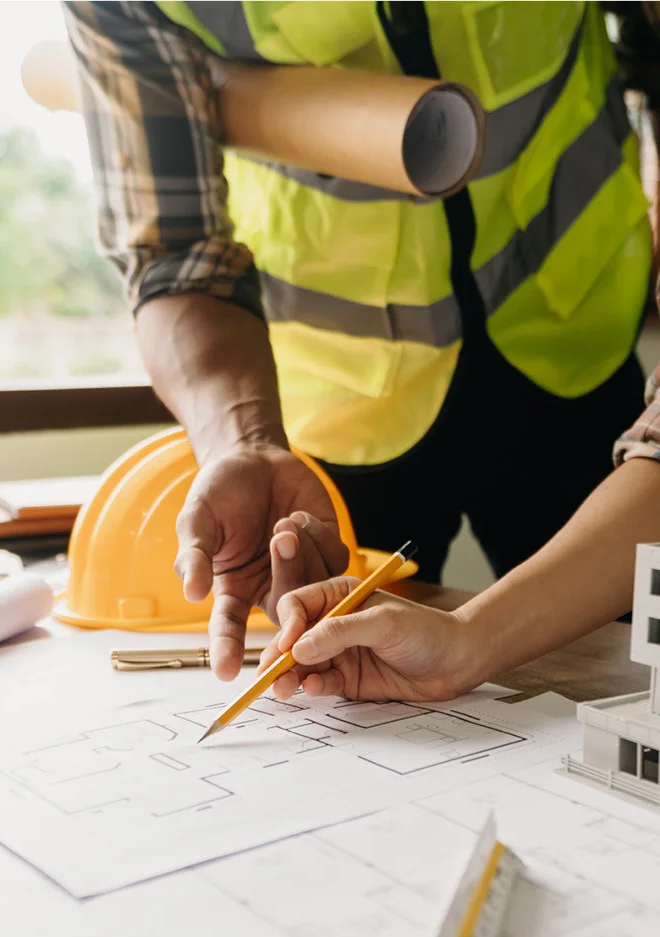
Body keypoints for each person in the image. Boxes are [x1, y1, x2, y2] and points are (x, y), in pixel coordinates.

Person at [63, 1, 660, 681]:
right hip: (346, 396)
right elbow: (175, 251)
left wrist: (473, 639)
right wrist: (241, 440)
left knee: (639, 679)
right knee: (356, 691)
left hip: (574, 334)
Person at [259, 368, 660, 700]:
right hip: (363, 418)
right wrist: (463, 645)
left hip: (564, 392)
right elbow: (204, 278)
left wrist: (465, 642)